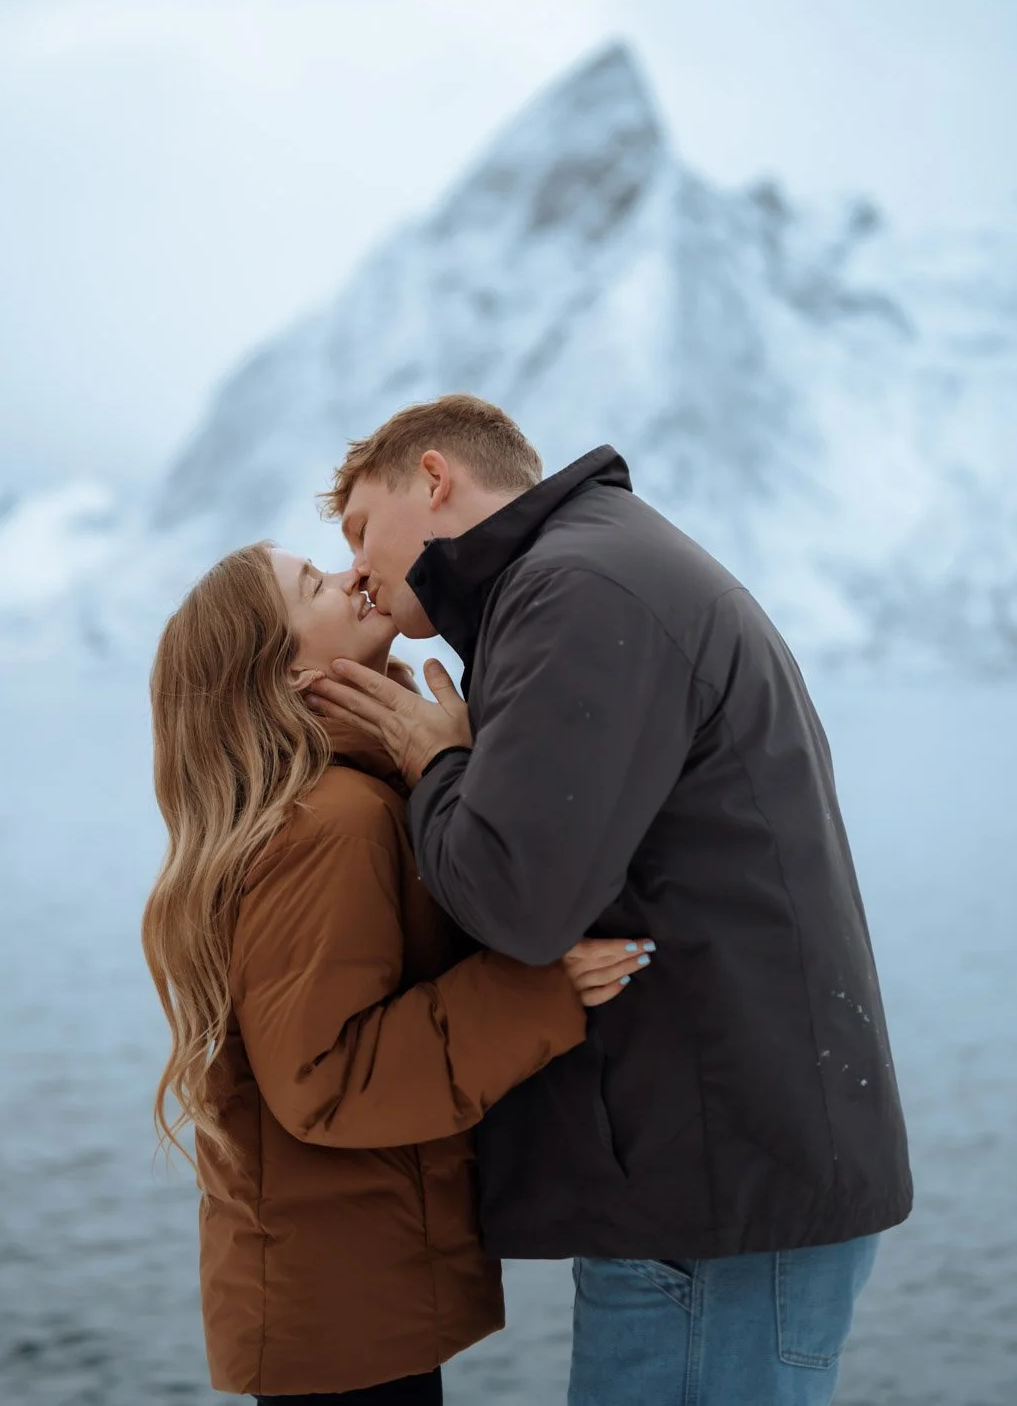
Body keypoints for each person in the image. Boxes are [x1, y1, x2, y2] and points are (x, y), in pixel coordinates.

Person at [308, 393, 913, 1406]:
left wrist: (438, 760)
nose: (357, 565)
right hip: (718, 1177)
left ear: (431, 477)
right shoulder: (593, 566)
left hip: (714, 1201)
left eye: (360, 528)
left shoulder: (574, 586)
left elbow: (517, 901)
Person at [142, 539, 651, 1404]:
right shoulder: (328, 822)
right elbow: (324, 1078)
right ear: (292, 675)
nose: (350, 576)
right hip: (341, 1313)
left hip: (342, 1298)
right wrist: (539, 987)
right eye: (316, 585)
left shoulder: (348, 796)